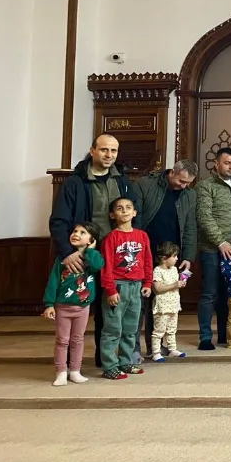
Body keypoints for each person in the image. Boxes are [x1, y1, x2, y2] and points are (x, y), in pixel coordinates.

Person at [48, 133, 137, 368]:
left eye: (114, 151)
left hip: (115, 256)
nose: (109, 155)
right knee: (75, 306)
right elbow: (58, 220)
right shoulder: (75, 182)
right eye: (104, 150)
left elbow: (133, 215)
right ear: (93, 151)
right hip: (81, 256)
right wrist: (68, 252)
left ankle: (103, 360)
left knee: (108, 308)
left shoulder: (123, 181)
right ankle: (67, 364)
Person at [135, 160, 197, 358]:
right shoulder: (145, 185)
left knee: (160, 304)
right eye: (181, 181)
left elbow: (190, 227)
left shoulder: (189, 195)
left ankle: (156, 347)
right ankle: (133, 349)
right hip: (143, 251)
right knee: (139, 302)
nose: (184, 186)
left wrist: (187, 255)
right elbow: (136, 219)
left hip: (170, 258)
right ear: (172, 172)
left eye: (188, 183)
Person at [195, 146, 231, 350]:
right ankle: (205, 337)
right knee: (210, 293)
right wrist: (221, 242)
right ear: (217, 164)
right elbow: (205, 217)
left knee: (230, 293)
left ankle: (225, 336)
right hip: (213, 249)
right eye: (227, 162)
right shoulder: (205, 186)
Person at [42, 221, 103, 386]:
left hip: (83, 307)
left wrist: (90, 249)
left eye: (83, 232)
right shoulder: (63, 259)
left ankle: (75, 371)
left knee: (78, 339)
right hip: (63, 306)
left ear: (91, 240)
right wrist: (49, 304)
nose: (76, 234)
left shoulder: (93, 257)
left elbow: (98, 266)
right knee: (62, 340)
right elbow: (53, 281)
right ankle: (61, 371)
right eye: (75, 231)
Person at [99, 197, 152, 380]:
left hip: (136, 287)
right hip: (118, 287)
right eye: (120, 208)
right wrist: (111, 290)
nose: (125, 211)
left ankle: (125, 361)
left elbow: (147, 261)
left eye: (128, 207)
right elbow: (106, 267)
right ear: (112, 214)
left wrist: (147, 283)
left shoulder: (142, 235)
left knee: (131, 329)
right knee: (113, 329)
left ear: (134, 212)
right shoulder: (111, 238)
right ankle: (109, 365)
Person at [150, 241, 187, 361]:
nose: (177, 258)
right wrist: (175, 284)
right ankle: (156, 352)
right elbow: (158, 288)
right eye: (174, 256)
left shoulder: (174, 269)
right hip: (162, 307)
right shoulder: (157, 270)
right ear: (164, 258)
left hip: (174, 305)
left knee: (172, 329)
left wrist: (181, 283)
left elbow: (175, 284)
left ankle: (172, 349)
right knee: (159, 331)